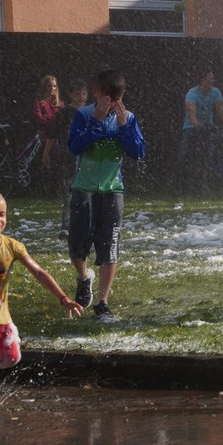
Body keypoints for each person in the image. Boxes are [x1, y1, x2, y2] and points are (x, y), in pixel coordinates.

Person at [0, 190, 85, 417]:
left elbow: (39, 272)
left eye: (2, 214)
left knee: (12, 356)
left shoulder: (12, 246)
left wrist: (63, 298)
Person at [67, 68, 147, 324]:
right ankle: (83, 276)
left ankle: (102, 301)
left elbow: (138, 152)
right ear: (96, 93)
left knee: (110, 244)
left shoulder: (128, 118)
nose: (112, 104)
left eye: (117, 98)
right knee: (77, 244)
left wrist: (123, 128)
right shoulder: (83, 114)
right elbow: (74, 146)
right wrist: (96, 121)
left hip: (113, 190)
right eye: (107, 97)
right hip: (83, 188)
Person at [176, 70, 223, 196]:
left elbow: (220, 109)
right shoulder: (192, 94)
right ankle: (179, 185)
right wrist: (196, 123)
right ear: (202, 80)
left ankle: (220, 171)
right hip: (191, 127)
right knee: (183, 153)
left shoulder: (215, 92)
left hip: (208, 127)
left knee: (221, 142)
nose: (213, 81)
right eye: (210, 78)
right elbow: (191, 112)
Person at [55, 79, 88, 240]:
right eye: (77, 94)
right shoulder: (64, 112)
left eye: (83, 93)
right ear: (70, 95)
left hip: (87, 157)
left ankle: (86, 223)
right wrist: (47, 152)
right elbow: (54, 134)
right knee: (69, 192)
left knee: (86, 191)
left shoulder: (91, 111)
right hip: (69, 156)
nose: (81, 97)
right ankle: (66, 226)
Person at [34, 74, 64, 195]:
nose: (52, 88)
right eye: (49, 86)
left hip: (58, 135)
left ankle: (55, 187)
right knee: (51, 160)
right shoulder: (39, 102)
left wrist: (49, 118)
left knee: (58, 162)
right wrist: (54, 118)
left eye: (54, 86)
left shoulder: (59, 103)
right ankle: (51, 188)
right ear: (44, 87)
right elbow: (39, 119)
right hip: (45, 135)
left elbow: (62, 119)